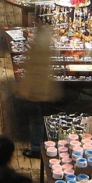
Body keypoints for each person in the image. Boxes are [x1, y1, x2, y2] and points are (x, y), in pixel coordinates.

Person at [16, 26, 61, 159]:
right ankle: (45, 145)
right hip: (43, 89)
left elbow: (34, 70)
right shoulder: (46, 41)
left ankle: (36, 148)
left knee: (36, 120)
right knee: (40, 118)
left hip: (37, 91)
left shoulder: (40, 44)